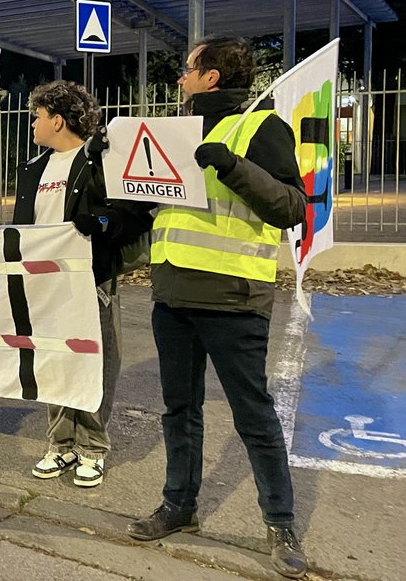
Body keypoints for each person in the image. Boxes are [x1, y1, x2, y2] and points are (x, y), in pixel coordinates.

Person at [126, 37, 308, 579]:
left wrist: (230, 165)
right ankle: (179, 507)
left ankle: (280, 523)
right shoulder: (175, 133)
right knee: (180, 411)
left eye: (186, 70)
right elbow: (156, 207)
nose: (179, 79)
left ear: (210, 77)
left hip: (232, 300)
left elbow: (291, 207)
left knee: (254, 418)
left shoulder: (260, 127)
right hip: (172, 296)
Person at [12, 81, 153, 487]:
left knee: (97, 362)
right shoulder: (32, 169)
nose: (32, 125)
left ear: (57, 119)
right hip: (44, 285)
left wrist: (104, 223)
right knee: (55, 363)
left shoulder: (100, 164)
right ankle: (60, 444)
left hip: (92, 282)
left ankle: (92, 447)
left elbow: (137, 217)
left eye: (36, 116)